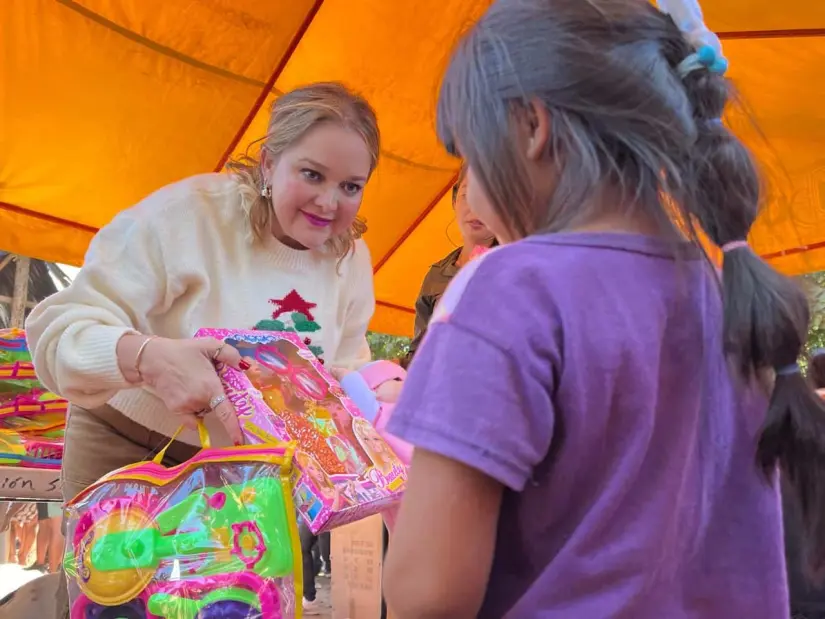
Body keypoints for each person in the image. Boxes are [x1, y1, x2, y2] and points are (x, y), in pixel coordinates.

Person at [382, 1, 825, 617]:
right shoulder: (729, 299)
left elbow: (426, 594)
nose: (473, 192)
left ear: (531, 126)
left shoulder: (509, 289)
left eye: (469, 159)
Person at [25, 82, 380, 617]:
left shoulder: (351, 261)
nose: (330, 202)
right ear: (267, 163)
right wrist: (145, 357)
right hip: (122, 448)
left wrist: (376, 401)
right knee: (113, 607)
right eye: (311, 174)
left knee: (227, 607)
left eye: (351, 186)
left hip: (247, 476)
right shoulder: (186, 217)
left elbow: (344, 365)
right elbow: (56, 328)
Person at [404, 167, 496, 363]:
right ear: (454, 200)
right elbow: (419, 353)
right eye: (468, 194)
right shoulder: (436, 275)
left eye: (490, 196)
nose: (476, 207)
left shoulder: (515, 268)